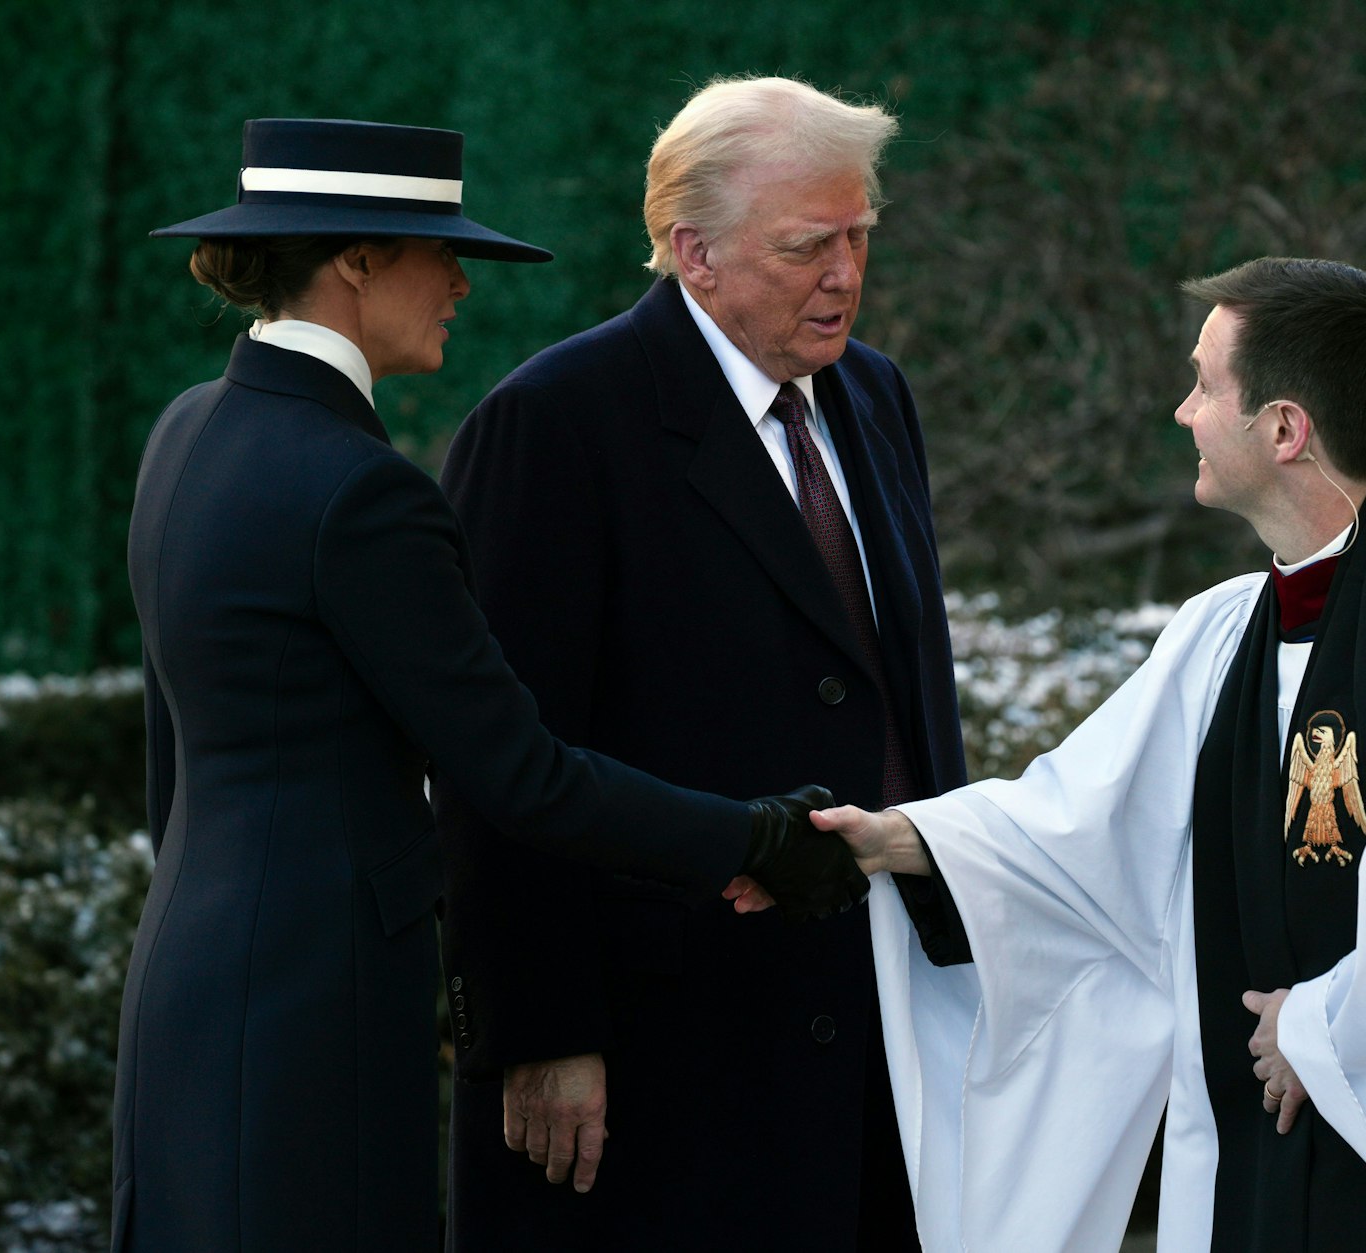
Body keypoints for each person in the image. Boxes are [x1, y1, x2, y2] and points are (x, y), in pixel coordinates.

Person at [810, 258, 1366, 1251]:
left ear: (1281, 428)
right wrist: (899, 836)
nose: (1182, 411)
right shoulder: (1219, 633)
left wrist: (1319, 1027)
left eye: (1202, 384)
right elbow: (1080, 823)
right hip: (1245, 1166)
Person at [115, 117, 862, 1253]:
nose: (460, 283)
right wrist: (760, 837)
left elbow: (177, 746)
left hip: (186, 976)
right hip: (316, 1001)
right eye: (438, 252)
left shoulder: (189, 430)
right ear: (357, 260)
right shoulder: (360, 492)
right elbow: (525, 774)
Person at [434, 77, 968, 1251]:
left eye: (858, 237)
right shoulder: (555, 424)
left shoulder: (874, 394)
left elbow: (905, 699)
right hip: (659, 1052)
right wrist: (540, 1029)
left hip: (878, 1025)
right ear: (693, 252)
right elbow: (496, 759)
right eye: (804, 246)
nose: (843, 273)